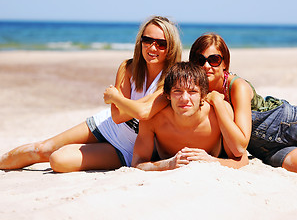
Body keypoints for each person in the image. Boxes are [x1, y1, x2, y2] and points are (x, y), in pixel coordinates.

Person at [0, 16, 182, 172]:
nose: (152, 48)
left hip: (125, 148)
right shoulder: (128, 67)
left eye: (161, 44)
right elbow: (117, 116)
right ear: (140, 41)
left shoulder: (170, 80)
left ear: (171, 48)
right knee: (41, 149)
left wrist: (116, 97)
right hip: (105, 125)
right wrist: (139, 105)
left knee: (58, 161)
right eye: (148, 40)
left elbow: (143, 114)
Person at [189, 33, 297, 175]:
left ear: (224, 63)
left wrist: (217, 101)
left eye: (214, 60)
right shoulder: (192, 93)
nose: (206, 66)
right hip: (268, 150)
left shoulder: (237, 86)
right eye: (200, 59)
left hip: (295, 125)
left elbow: (240, 145)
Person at [131, 62, 249, 171]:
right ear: (167, 95)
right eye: (177, 91)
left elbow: (242, 160)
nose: (185, 98)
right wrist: (168, 164)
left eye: (192, 92)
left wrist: (212, 161)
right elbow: (137, 164)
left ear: (203, 95)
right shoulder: (153, 119)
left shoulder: (218, 113)